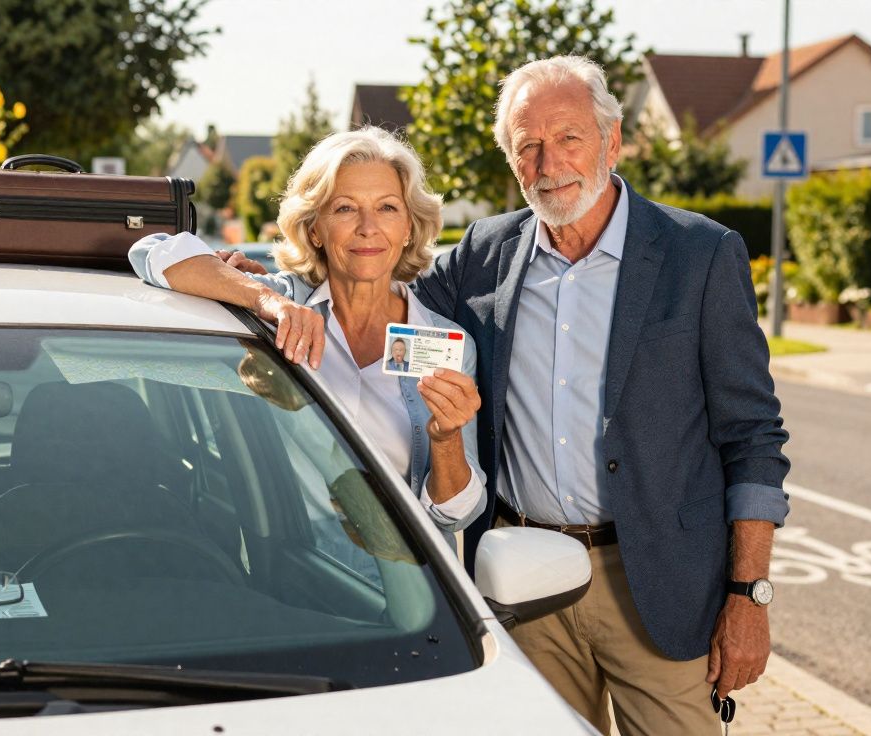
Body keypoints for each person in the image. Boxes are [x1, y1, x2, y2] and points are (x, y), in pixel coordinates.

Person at [225, 57, 791, 734]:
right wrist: (256, 288)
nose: (549, 162)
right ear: (512, 160)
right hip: (524, 585)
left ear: (612, 142)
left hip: (657, 587)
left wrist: (748, 595)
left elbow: (753, 438)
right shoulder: (485, 255)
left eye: (569, 138)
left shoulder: (699, 255)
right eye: (528, 145)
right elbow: (368, 280)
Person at [127, 127, 486, 552]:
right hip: (291, 566)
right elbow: (152, 251)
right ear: (315, 229)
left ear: (409, 226)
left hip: (403, 588)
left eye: (387, 208)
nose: (368, 228)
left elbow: (456, 513)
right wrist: (267, 302)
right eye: (345, 208)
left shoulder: (447, 345)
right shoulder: (280, 309)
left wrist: (446, 440)